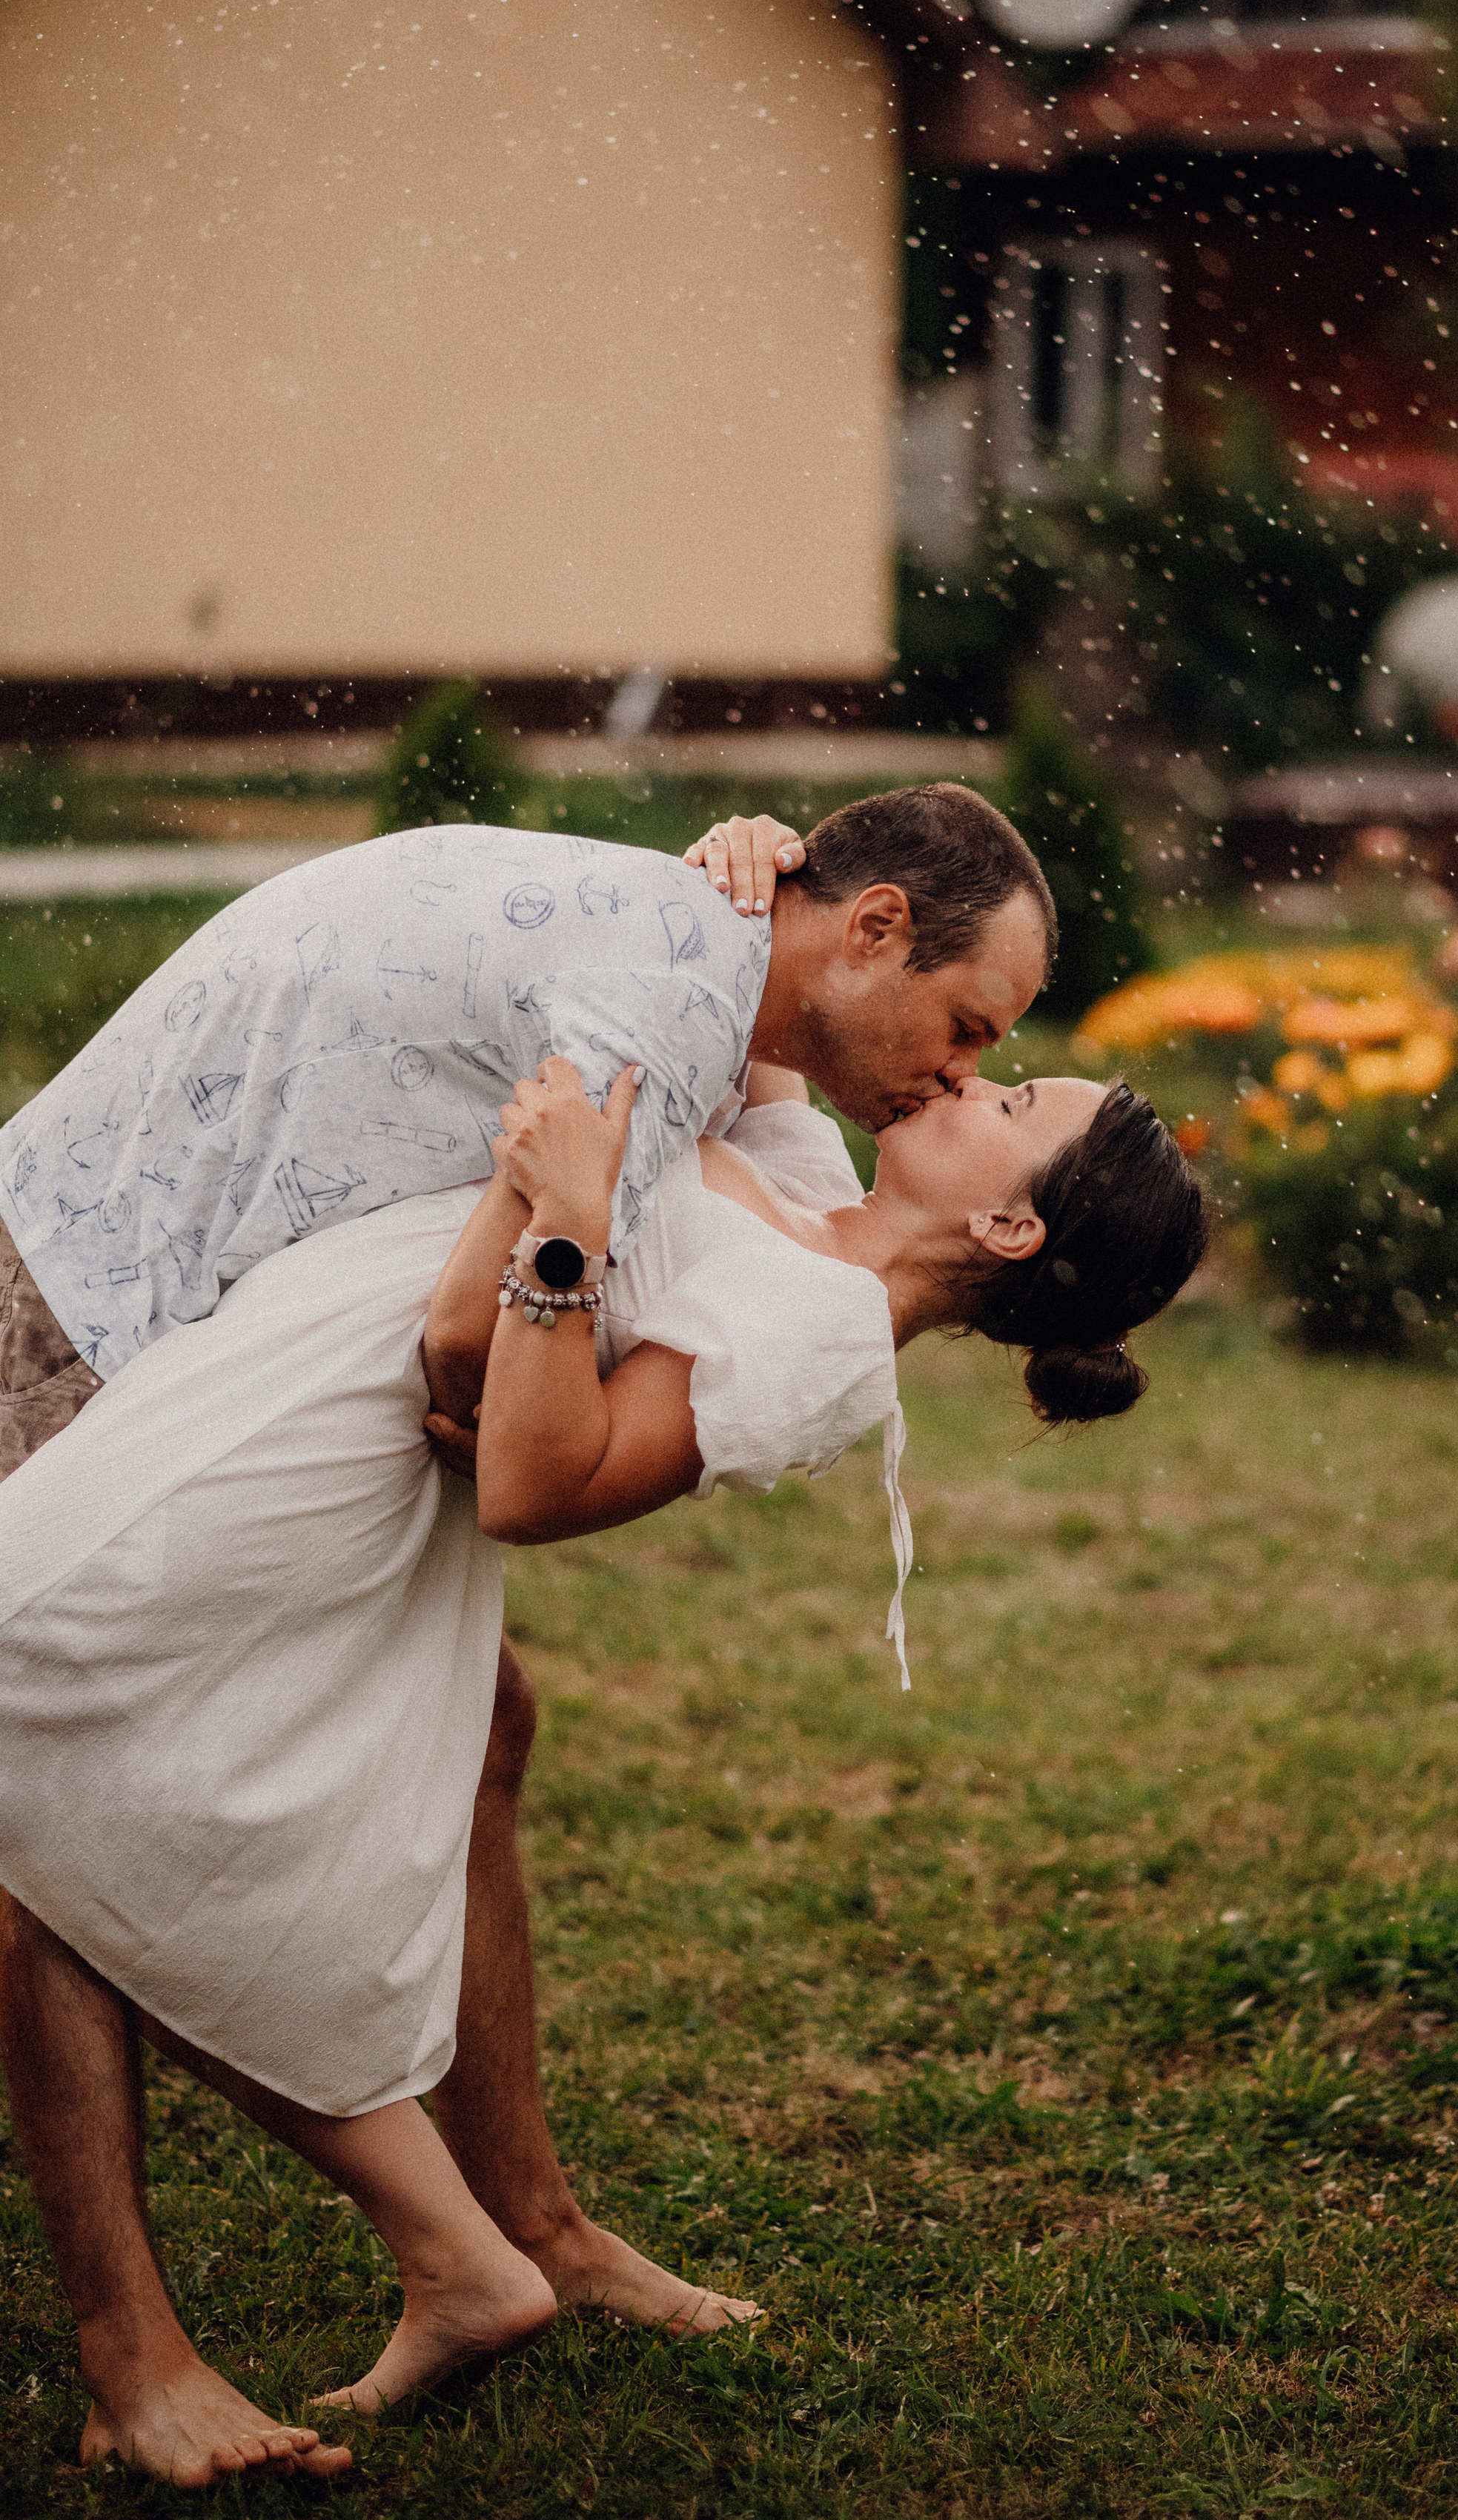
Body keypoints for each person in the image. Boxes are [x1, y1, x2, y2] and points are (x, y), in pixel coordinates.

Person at [0, 785, 1058, 2486]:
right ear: (864, 929)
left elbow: (515, 1356)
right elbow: (459, 1365)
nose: (957, 1069)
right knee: (53, 1747)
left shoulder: (731, 997)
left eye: (994, 1062)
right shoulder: (679, 1002)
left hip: (254, 1303)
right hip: (118, 1265)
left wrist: (743, 868)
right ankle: (142, 2354)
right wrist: (523, 1316)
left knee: (473, 1727)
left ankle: (522, 2230)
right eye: (968, 1026)